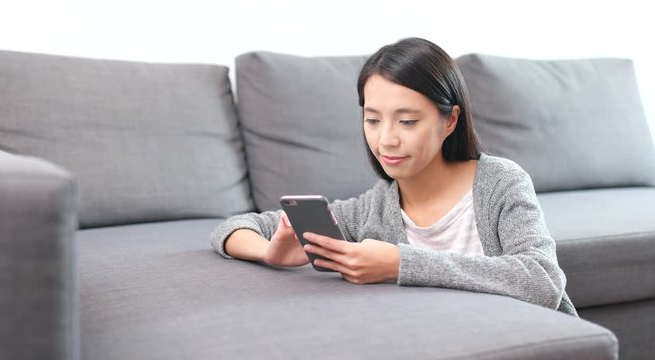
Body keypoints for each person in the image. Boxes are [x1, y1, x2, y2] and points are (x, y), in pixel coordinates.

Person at [210, 37, 577, 316]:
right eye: (372, 120)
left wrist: (399, 263)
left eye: (408, 121)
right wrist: (270, 252)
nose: (386, 139)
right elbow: (232, 228)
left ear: (450, 120)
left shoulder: (500, 183)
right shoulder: (374, 210)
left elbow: (542, 280)